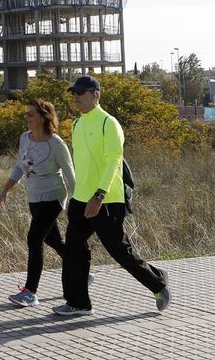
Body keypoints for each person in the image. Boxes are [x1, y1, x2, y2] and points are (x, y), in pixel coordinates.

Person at [53, 75, 171, 316]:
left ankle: (158, 285)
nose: (76, 96)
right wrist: (78, 195)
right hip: (80, 199)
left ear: (96, 94)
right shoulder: (77, 124)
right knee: (73, 250)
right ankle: (78, 303)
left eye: (81, 92)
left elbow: (113, 161)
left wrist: (99, 194)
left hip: (106, 200)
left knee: (120, 251)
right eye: (74, 91)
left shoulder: (109, 123)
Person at [0, 98, 75, 307]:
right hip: (34, 196)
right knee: (54, 241)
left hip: (53, 196)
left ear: (44, 118)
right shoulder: (25, 138)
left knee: (34, 238)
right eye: (27, 114)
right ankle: (80, 271)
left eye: (31, 114)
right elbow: (19, 167)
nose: (27, 117)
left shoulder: (56, 144)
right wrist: (4, 190)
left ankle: (30, 292)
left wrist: (78, 202)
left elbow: (70, 174)